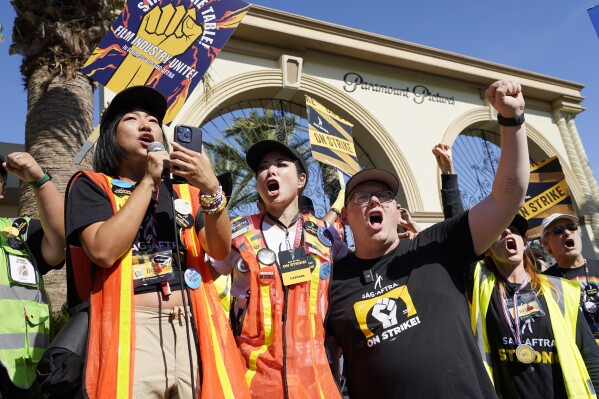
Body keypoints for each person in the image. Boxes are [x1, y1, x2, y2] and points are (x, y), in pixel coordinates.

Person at [326, 80, 529, 398]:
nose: (375, 202)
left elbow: (509, 196)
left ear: (397, 211)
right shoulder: (331, 283)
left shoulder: (440, 245)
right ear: (345, 218)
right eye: (361, 197)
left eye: (383, 195)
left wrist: (512, 120)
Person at [65, 85, 249, 399]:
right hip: (132, 331)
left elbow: (219, 250)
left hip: (192, 327)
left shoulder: (187, 195)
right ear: (112, 134)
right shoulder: (92, 186)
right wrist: (149, 181)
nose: (146, 124)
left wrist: (211, 189)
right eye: (132, 119)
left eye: (153, 120)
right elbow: (102, 250)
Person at [212, 140, 343, 398]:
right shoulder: (236, 232)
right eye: (263, 168)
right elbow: (205, 286)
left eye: (281, 165)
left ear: (301, 180)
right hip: (253, 382)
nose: (270, 172)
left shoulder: (327, 236)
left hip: (314, 383)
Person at [470, 214, 599, 398]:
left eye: (514, 231)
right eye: (499, 233)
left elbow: (590, 356)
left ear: (524, 243)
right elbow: (461, 242)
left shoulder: (559, 290)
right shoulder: (481, 286)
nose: (508, 233)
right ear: (488, 249)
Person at [0, 153, 65, 398]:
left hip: (15, 381)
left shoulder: (20, 232)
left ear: (2, 189)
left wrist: (40, 180)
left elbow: (58, 243)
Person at [542, 213, 599, 343]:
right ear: (546, 243)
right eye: (558, 230)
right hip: (581, 356)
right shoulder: (544, 282)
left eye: (571, 227)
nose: (567, 232)